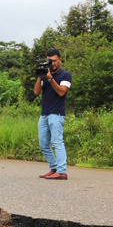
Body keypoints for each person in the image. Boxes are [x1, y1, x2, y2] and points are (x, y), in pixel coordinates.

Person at [33, 49, 72, 180]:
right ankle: (54, 168)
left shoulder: (65, 75)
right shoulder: (45, 74)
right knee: (43, 143)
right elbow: (36, 92)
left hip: (57, 113)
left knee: (57, 142)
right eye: (50, 61)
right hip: (44, 114)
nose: (52, 63)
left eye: (54, 60)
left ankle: (62, 171)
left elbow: (62, 92)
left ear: (60, 60)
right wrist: (40, 75)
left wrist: (51, 79)